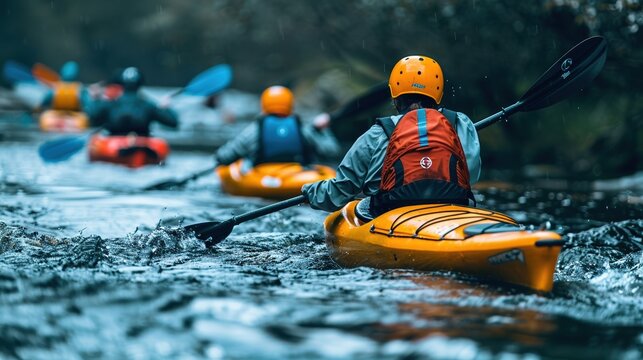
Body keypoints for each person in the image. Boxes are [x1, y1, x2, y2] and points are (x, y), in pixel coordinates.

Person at [302, 55, 481, 220]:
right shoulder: (461, 124)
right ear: (438, 93)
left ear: (394, 96)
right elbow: (471, 176)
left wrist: (310, 191)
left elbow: (340, 191)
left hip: (392, 215)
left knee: (363, 204)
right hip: (451, 210)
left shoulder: (378, 133)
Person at [214, 85, 340, 166]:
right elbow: (332, 152)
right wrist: (323, 131)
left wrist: (221, 159)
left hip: (261, 176)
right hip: (296, 176)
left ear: (264, 105)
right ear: (290, 105)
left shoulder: (255, 130)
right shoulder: (303, 128)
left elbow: (225, 156)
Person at [87, 67, 178, 136]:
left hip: (115, 144)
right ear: (140, 84)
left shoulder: (110, 104)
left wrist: (95, 99)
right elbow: (173, 123)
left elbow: (92, 119)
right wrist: (165, 108)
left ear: (121, 84)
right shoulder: (148, 106)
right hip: (142, 145)